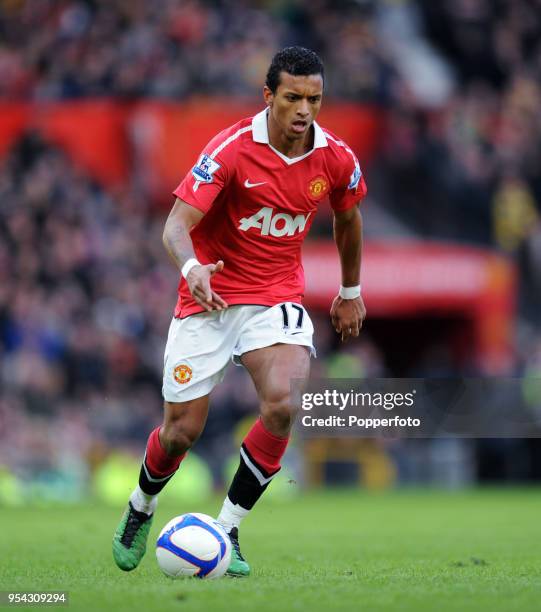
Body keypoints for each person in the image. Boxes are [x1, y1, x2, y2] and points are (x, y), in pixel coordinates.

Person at [113, 46, 367, 577]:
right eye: (293, 97)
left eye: (314, 99)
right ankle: (140, 507)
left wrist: (350, 289)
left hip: (275, 297)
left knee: (283, 403)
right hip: (210, 296)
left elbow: (348, 220)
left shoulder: (335, 158)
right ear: (268, 95)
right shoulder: (230, 150)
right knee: (181, 432)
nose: (304, 110)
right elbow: (175, 227)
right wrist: (192, 270)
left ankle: (227, 528)